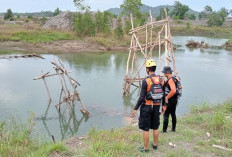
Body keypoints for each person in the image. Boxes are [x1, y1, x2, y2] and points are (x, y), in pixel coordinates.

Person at [132, 59, 164, 152]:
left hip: (147, 106)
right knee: (155, 126)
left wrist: (135, 108)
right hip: (157, 106)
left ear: (147, 69)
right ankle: (155, 145)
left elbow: (141, 97)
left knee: (146, 128)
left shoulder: (146, 81)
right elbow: (164, 95)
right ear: (155, 68)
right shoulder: (161, 80)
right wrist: (164, 106)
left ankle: (146, 148)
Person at [162, 66, 178, 133]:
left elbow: (173, 90)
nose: (163, 74)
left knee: (166, 115)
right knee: (173, 114)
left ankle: (164, 130)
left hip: (170, 100)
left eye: (164, 73)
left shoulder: (171, 80)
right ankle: (173, 129)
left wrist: (167, 97)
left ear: (166, 73)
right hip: (175, 99)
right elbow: (180, 87)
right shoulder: (175, 78)